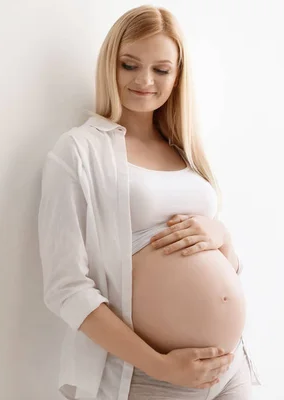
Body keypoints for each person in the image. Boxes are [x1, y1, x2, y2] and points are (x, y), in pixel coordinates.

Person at [37, 5, 261, 400]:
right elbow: (66, 288)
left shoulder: (187, 152)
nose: (145, 80)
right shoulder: (79, 151)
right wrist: (161, 365)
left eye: (161, 69)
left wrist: (221, 236)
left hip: (230, 366)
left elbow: (226, 266)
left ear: (177, 76)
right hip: (147, 374)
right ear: (111, 64)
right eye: (130, 65)